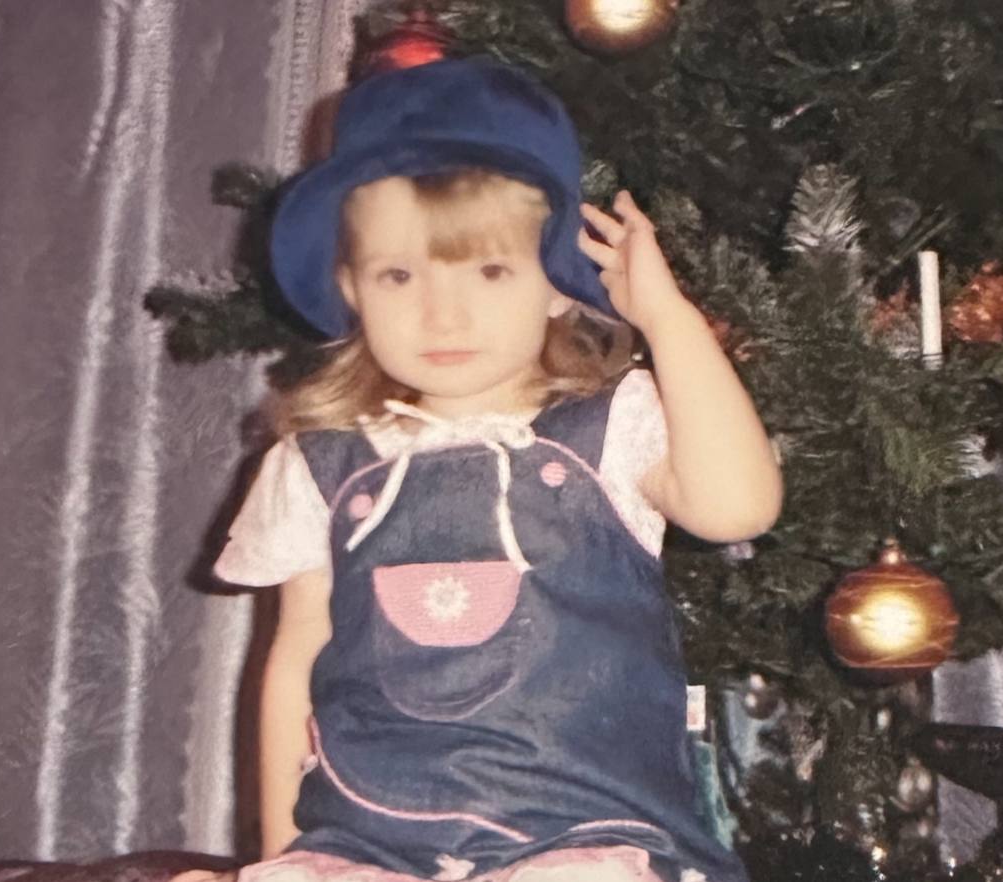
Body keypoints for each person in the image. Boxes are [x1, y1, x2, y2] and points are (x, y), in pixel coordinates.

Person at [212, 56, 782, 882]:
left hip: (586, 835)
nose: (443, 314)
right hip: (371, 842)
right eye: (399, 275)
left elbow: (739, 508)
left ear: (556, 283)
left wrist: (667, 317)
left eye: (488, 270)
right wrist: (282, 855)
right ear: (351, 287)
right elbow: (296, 659)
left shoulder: (611, 431)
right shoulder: (318, 466)